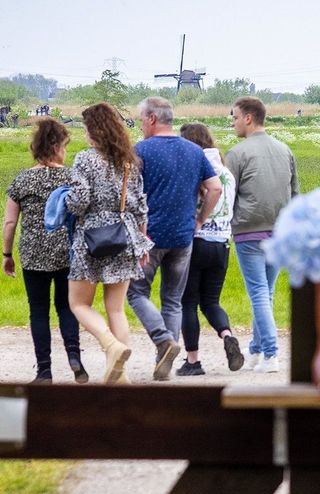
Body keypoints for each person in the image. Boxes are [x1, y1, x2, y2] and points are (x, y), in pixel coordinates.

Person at [128, 97, 223, 381]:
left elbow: (130, 193)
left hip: (150, 236)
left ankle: (163, 340)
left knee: (136, 292)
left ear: (153, 119)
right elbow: (215, 188)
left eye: (142, 120)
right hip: (183, 237)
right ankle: (163, 363)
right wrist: (200, 219)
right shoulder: (195, 152)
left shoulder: (140, 151)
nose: (141, 125)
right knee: (172, 300)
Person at [66, 102, 153, 384]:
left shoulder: (84, 159)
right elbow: (141, 206)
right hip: (124, 234)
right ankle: (119, 375)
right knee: (116, 308)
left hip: (92, 237)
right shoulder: (129, 161)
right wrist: (141, 241)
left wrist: (65, 199)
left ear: (94, 130)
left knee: (78, 303)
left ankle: (111, 345)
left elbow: (79, 202)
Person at [2, 118, 87, 384]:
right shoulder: (73, 177)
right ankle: (74, 356)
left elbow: (10, 222)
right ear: (58, 147)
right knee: (66, 308)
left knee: (38, 310)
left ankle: (44, 371)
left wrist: (7, 254)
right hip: (67, 254)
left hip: (33, 254)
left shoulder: (23, 180)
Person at [227, 96, 299, 373]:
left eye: (234, 117)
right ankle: (256, 350)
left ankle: (271, 353)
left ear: (248, 118)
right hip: (280, 231)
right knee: (266, 293)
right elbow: (294, 193)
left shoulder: (237, 154)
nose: (232, 123)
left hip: (248, 231)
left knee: (258, 292)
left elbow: (229, 196)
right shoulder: (285, 150)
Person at [173, 122, 245, 376]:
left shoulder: (194, 169)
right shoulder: (226, 172)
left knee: (188, 302)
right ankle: (227, 335)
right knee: (211, 301)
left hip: (197, 240)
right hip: (222, 244)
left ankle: (193, 361)